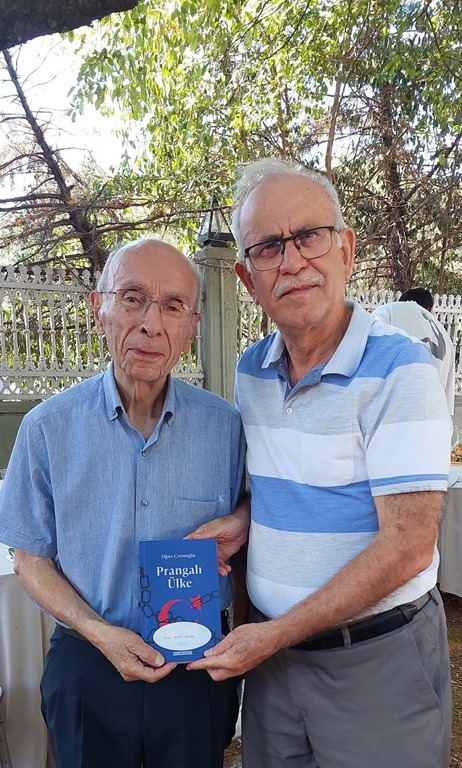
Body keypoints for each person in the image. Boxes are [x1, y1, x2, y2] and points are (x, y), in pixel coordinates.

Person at [189, 158, 453, 768]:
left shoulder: (401, 369)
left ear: (346, 250)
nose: (291, 261)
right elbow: (288, 488)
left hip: (374, 663)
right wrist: (244, 520)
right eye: (267, 247)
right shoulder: (252, 371)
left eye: (308, 235)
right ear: (246, 278)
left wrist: (273, 634)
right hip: (275, 668)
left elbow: (409, 545)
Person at [0, 238, 246, 768]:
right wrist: (100, 633)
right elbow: (30, 559)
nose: (151, 324)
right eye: (132, 299)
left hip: (196, 670)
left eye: (173, 306)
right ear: (99, 310)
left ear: (192, 328)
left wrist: (243, 518)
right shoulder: (46, 430)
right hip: (90, 664)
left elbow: (254, 513)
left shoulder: (226, 427)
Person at [372, 298, 456, 414]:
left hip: (393, 411)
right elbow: (447, 406)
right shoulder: (445, 336)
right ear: (430, 308)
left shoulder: (388, 310)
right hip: (431, 415)